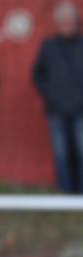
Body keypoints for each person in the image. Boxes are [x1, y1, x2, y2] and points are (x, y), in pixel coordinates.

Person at [33, 1, 83, 194]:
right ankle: (64, 193)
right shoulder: (49, 46)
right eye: (63, 21)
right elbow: (38, 76)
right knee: (61, 153)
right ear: (57, 23)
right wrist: (51, 96)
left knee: (81, 151)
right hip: (56, 109)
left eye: (70, 21)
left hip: (81, 109)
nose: (67, 24)